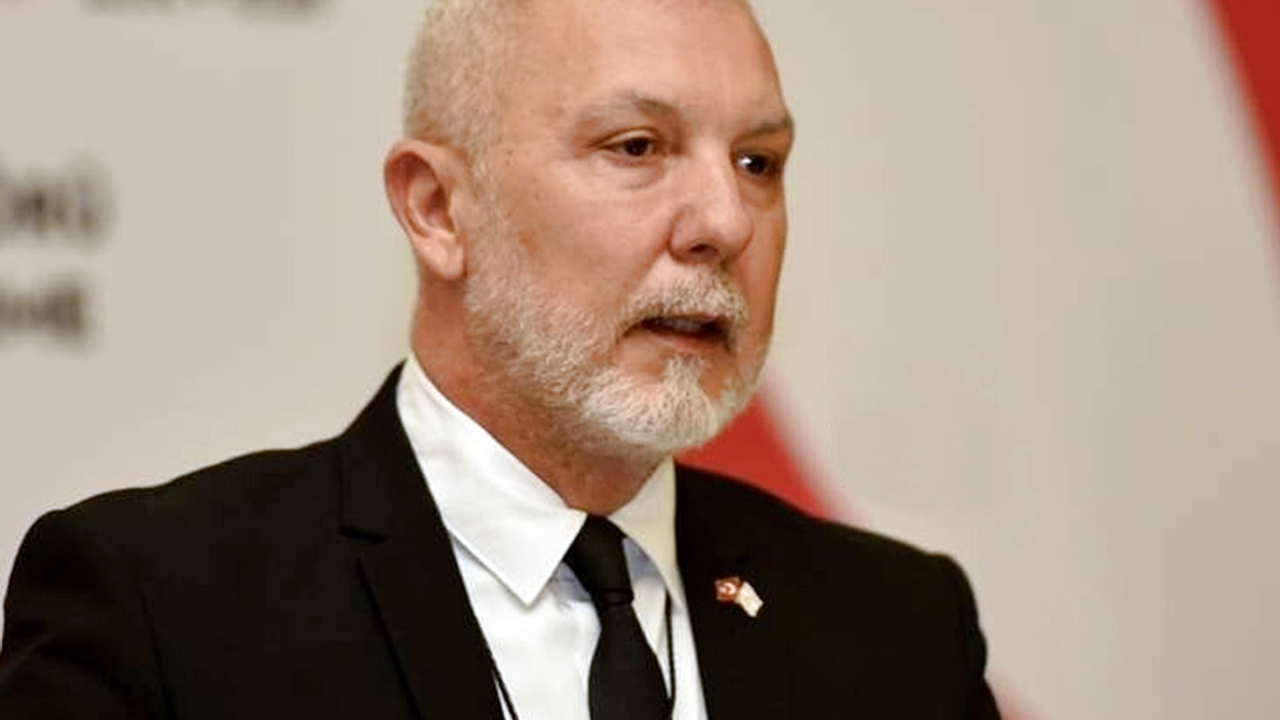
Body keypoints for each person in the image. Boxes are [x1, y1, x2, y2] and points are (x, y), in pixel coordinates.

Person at [0, 0, 1002, 717]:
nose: (725, 220)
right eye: (637, 146)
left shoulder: (904, 633)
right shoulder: (162, 609)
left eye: (758, 162)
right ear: (437, 209)